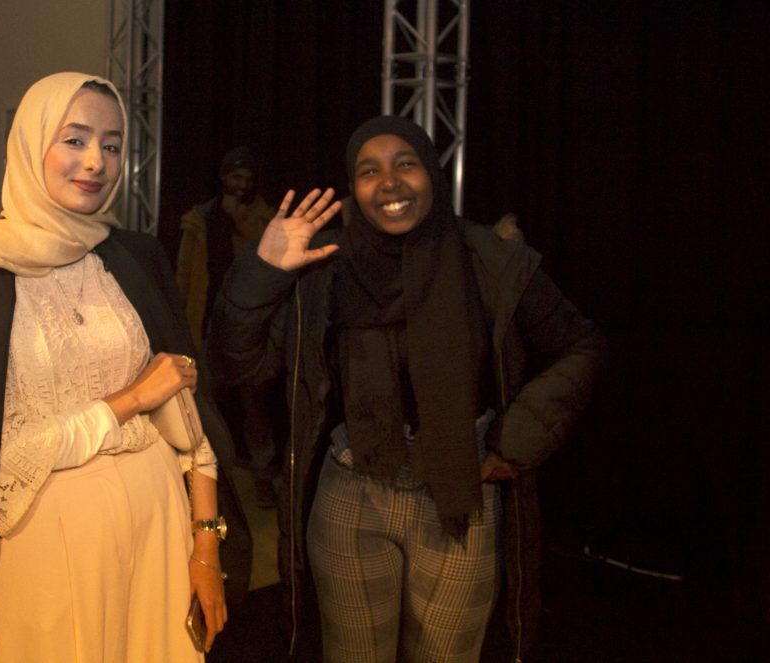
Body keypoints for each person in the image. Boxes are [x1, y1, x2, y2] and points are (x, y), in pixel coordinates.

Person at [0, 72, 249, 663]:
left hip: (160, 540)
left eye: (112, 145)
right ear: (30, 143)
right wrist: (128, 401)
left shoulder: (136, 258)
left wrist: (205, 548)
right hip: (39, 557)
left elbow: (188, 420)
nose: (96, 161)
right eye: (74, 139)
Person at [208, 115, 605, 662]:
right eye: (369, 171)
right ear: (353, 187)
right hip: (351, 493)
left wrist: (516, 441)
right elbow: (237, 365)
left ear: (432, 176)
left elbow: (580, 344)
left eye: (406, 164)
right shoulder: (325, 265)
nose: (389, 182)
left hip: (462, 496)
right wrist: (263, 269)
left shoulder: (490, 258)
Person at [175, 146, 285, 508]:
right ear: (223, 178)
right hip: (207, 325)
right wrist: (182, 323)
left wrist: (239, 217)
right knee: (203, 406)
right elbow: (185, 275)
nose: (243, 184)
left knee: (256, 408)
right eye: (236, 177)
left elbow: (266, 261)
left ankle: (263, 477)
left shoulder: (264, 219)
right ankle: (204, 482)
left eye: (248, 178)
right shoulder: (201, 219)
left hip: (248, 331)